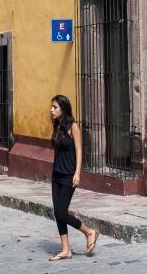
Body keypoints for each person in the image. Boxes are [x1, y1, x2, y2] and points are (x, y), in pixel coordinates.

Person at [48, 94, 98, 261]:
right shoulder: (57, 126)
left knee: (62, 212)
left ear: (63, 108)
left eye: (55, 107)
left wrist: (77, 173)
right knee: (57, 212)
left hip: (69, 175)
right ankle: (66, 250)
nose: (51, 110)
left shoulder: (73, 126)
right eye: (52, 107)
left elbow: (78, 150)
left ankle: (89, 232)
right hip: (56, 174)